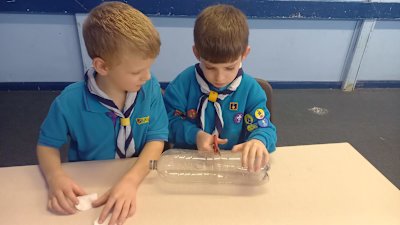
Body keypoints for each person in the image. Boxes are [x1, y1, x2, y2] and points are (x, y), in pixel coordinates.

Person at [36, 2, 168, 225]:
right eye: (137, 71)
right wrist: (55, 177)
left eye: (149, 68)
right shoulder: (70, 102)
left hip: (139, 176)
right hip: (89, 183)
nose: (147, 77)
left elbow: (157, 139)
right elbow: (47, 145)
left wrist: (130, 182)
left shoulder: (149, 87)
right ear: (102, 67)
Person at [163, 4, 277, 172]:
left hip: (234, 168)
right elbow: (166, 124)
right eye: (210, 67)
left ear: (245, 54)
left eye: (229, 68)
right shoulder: (182, 85)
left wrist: (259, 141)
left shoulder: (251, 91)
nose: (219, 78)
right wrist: (196, 135)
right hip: (189, 166)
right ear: (196, 53)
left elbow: (265, 128)